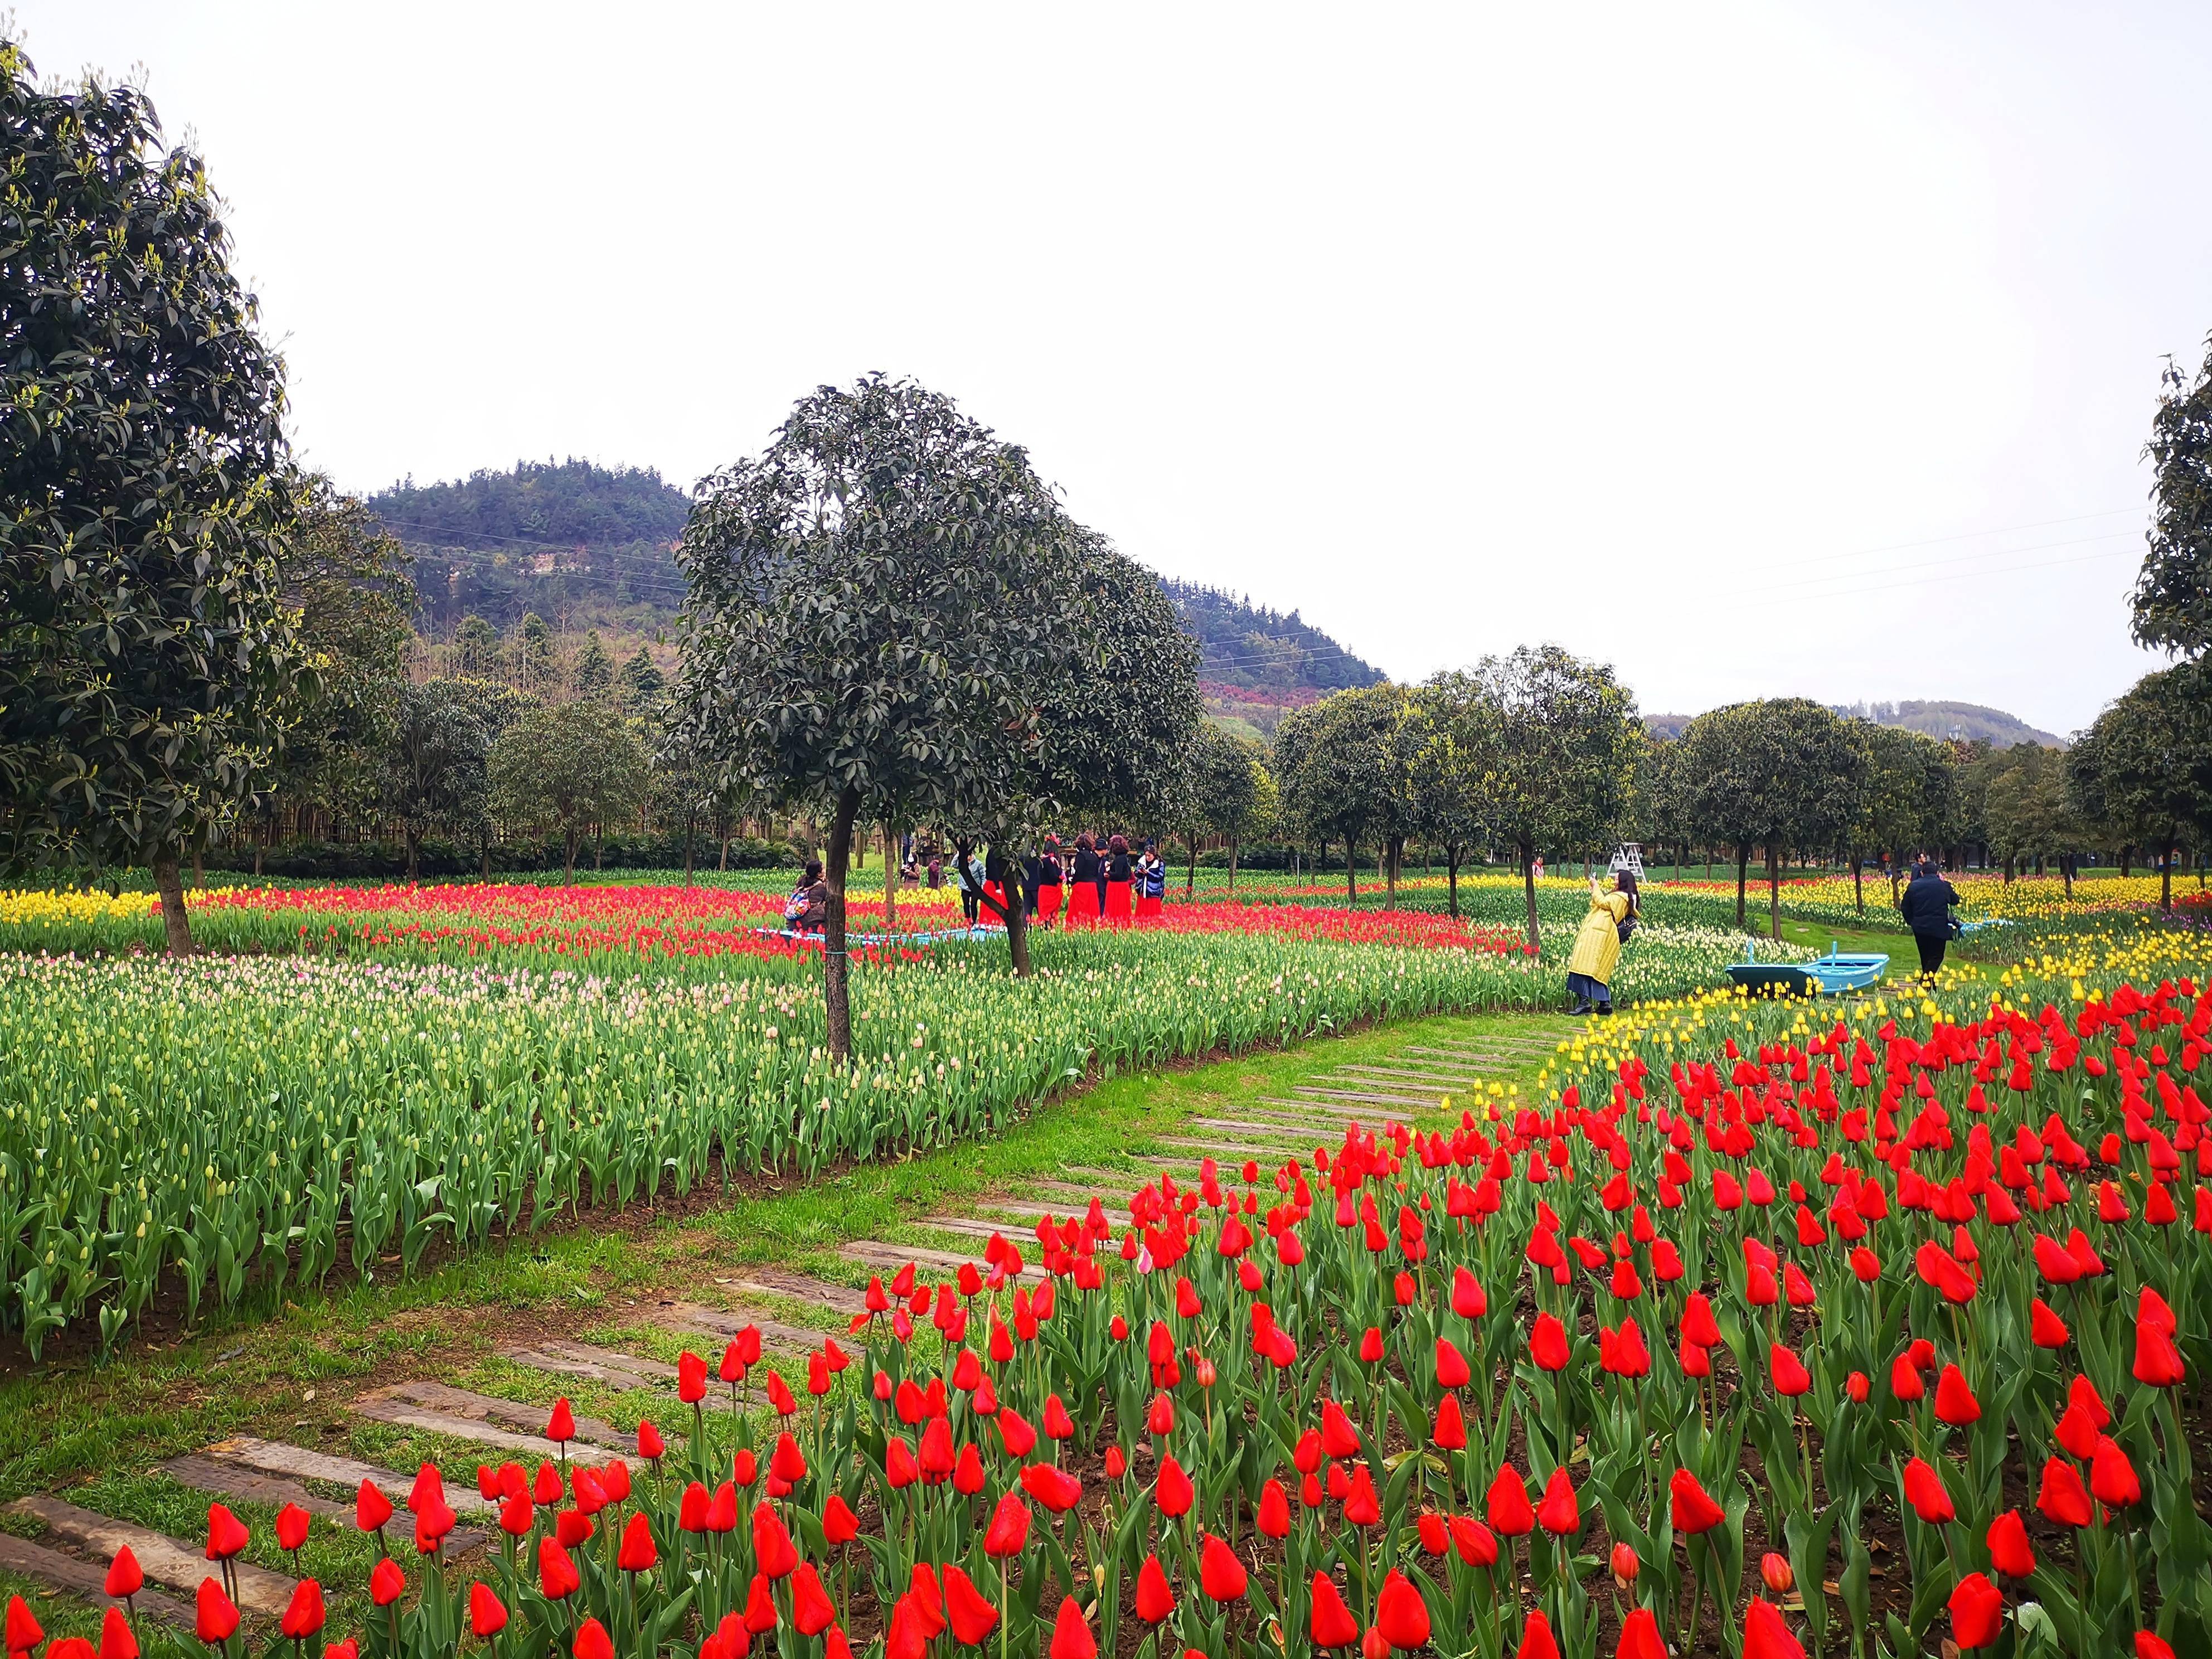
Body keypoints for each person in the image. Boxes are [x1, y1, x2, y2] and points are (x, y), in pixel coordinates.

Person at [1565, 870, 1636, 1016]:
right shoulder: (1621, 897)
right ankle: (1604, 1004)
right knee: (1594, 970)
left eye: (1617, 880)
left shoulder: (1622, 897)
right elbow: (1599, 904)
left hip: (1600, 935)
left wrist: (1596, 886)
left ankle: (1585, 1003)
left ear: (1623, 882)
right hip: (1599, 933)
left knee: (1584, 966)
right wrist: (1594, 891)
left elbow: (1603, 902)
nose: (1614, 882)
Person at [1898, 856, 1961, 977]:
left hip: (1920, 927)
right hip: (1938, 927)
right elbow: (1955, 900)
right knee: (1937, 956)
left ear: (1922, 873)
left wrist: (1911, 922)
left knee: (1925, 957)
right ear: (1937, 873)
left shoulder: (1913, 887)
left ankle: (1929, 986)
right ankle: (1924, 983)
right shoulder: (1944, 886)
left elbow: (1905, 907)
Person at [783, 860, 828, 934]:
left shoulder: (803, 881)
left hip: (792, 922)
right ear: (819, 874)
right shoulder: (820, 886)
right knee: (828, 908)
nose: (826, 870)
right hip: (804, 924)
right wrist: (826, 882)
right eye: (824, 868)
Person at [1067, 834, 1102, 928]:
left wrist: (1073, 882)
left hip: (1082, 885)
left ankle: (1077, 926)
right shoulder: (1094, 856)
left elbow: (1079, 871)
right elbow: (1096, 872)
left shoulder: (1081, 855)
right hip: (1093, 885)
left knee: (1079, 909)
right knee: (1091, 909)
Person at [1031, 838, 1064, 928]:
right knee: (1049, 913)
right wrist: (1060, 879)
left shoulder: (1042, 861)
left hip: (1044, 889)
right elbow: (1053, 876)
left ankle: (1045, 928)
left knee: (1045, 913)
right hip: (1050, 890)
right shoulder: (1049, 861)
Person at [1104, 833, 1134, 925]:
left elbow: (1118, 874)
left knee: (1116, 907)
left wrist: (1109, 874)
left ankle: (1115, 923)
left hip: (1117, 886)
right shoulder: (1123, 857)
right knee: (1122, 907)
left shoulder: (1120, 859)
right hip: (1122, 885)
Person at [1136, 840, 1166, 919]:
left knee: (1153, 915)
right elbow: (1136, 873)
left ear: (1154, 855)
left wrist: (1148, 874)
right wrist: (1140, 872)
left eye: (1149, 856)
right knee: (1141, 914)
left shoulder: (1160, 864)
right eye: (1146, 855)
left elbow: (1160, 877)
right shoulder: (1142, 862)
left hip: (1153, 891)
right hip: (1142, 890)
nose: (1147, 858)